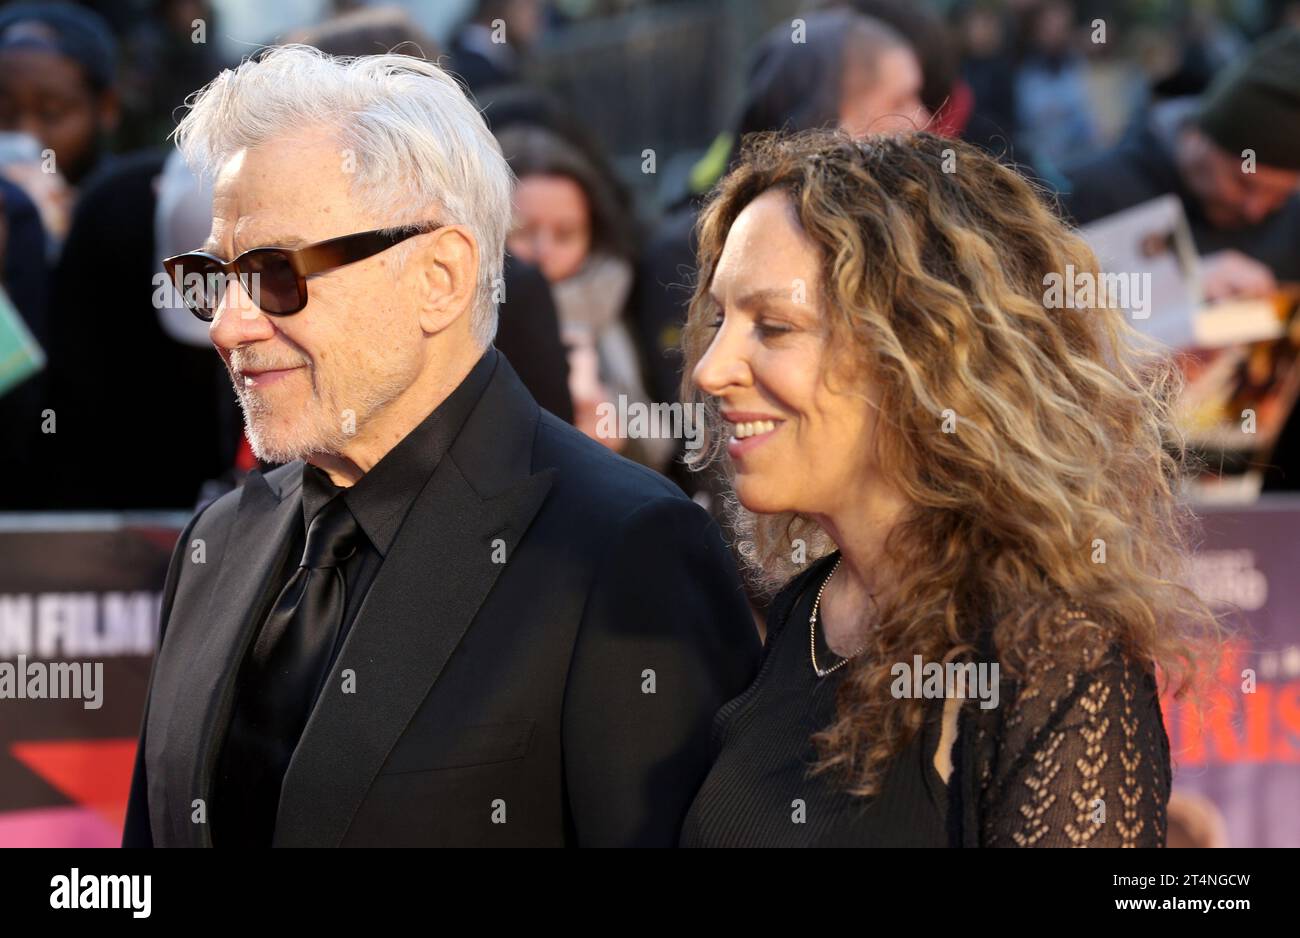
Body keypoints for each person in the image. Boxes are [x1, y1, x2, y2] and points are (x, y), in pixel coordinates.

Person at [122, 46, 759, 848]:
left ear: (440, 278)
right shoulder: (220, 543)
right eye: (212, 275)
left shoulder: (625, 553)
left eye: (276, 272)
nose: (228, 324)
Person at [677, 129, 1221, 847]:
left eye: (773, 326)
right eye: (719, 319)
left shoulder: (1053, 656)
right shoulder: (807, 613)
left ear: (922, 357)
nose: (713, 369)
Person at [1059, 27, 1300, 294]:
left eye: (1278, 196)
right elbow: (1052, 296)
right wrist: (1180, 286)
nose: (1254, 209)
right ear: (1198, 138)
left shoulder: (1291, 218)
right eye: (1243, 183)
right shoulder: (1092, 192)